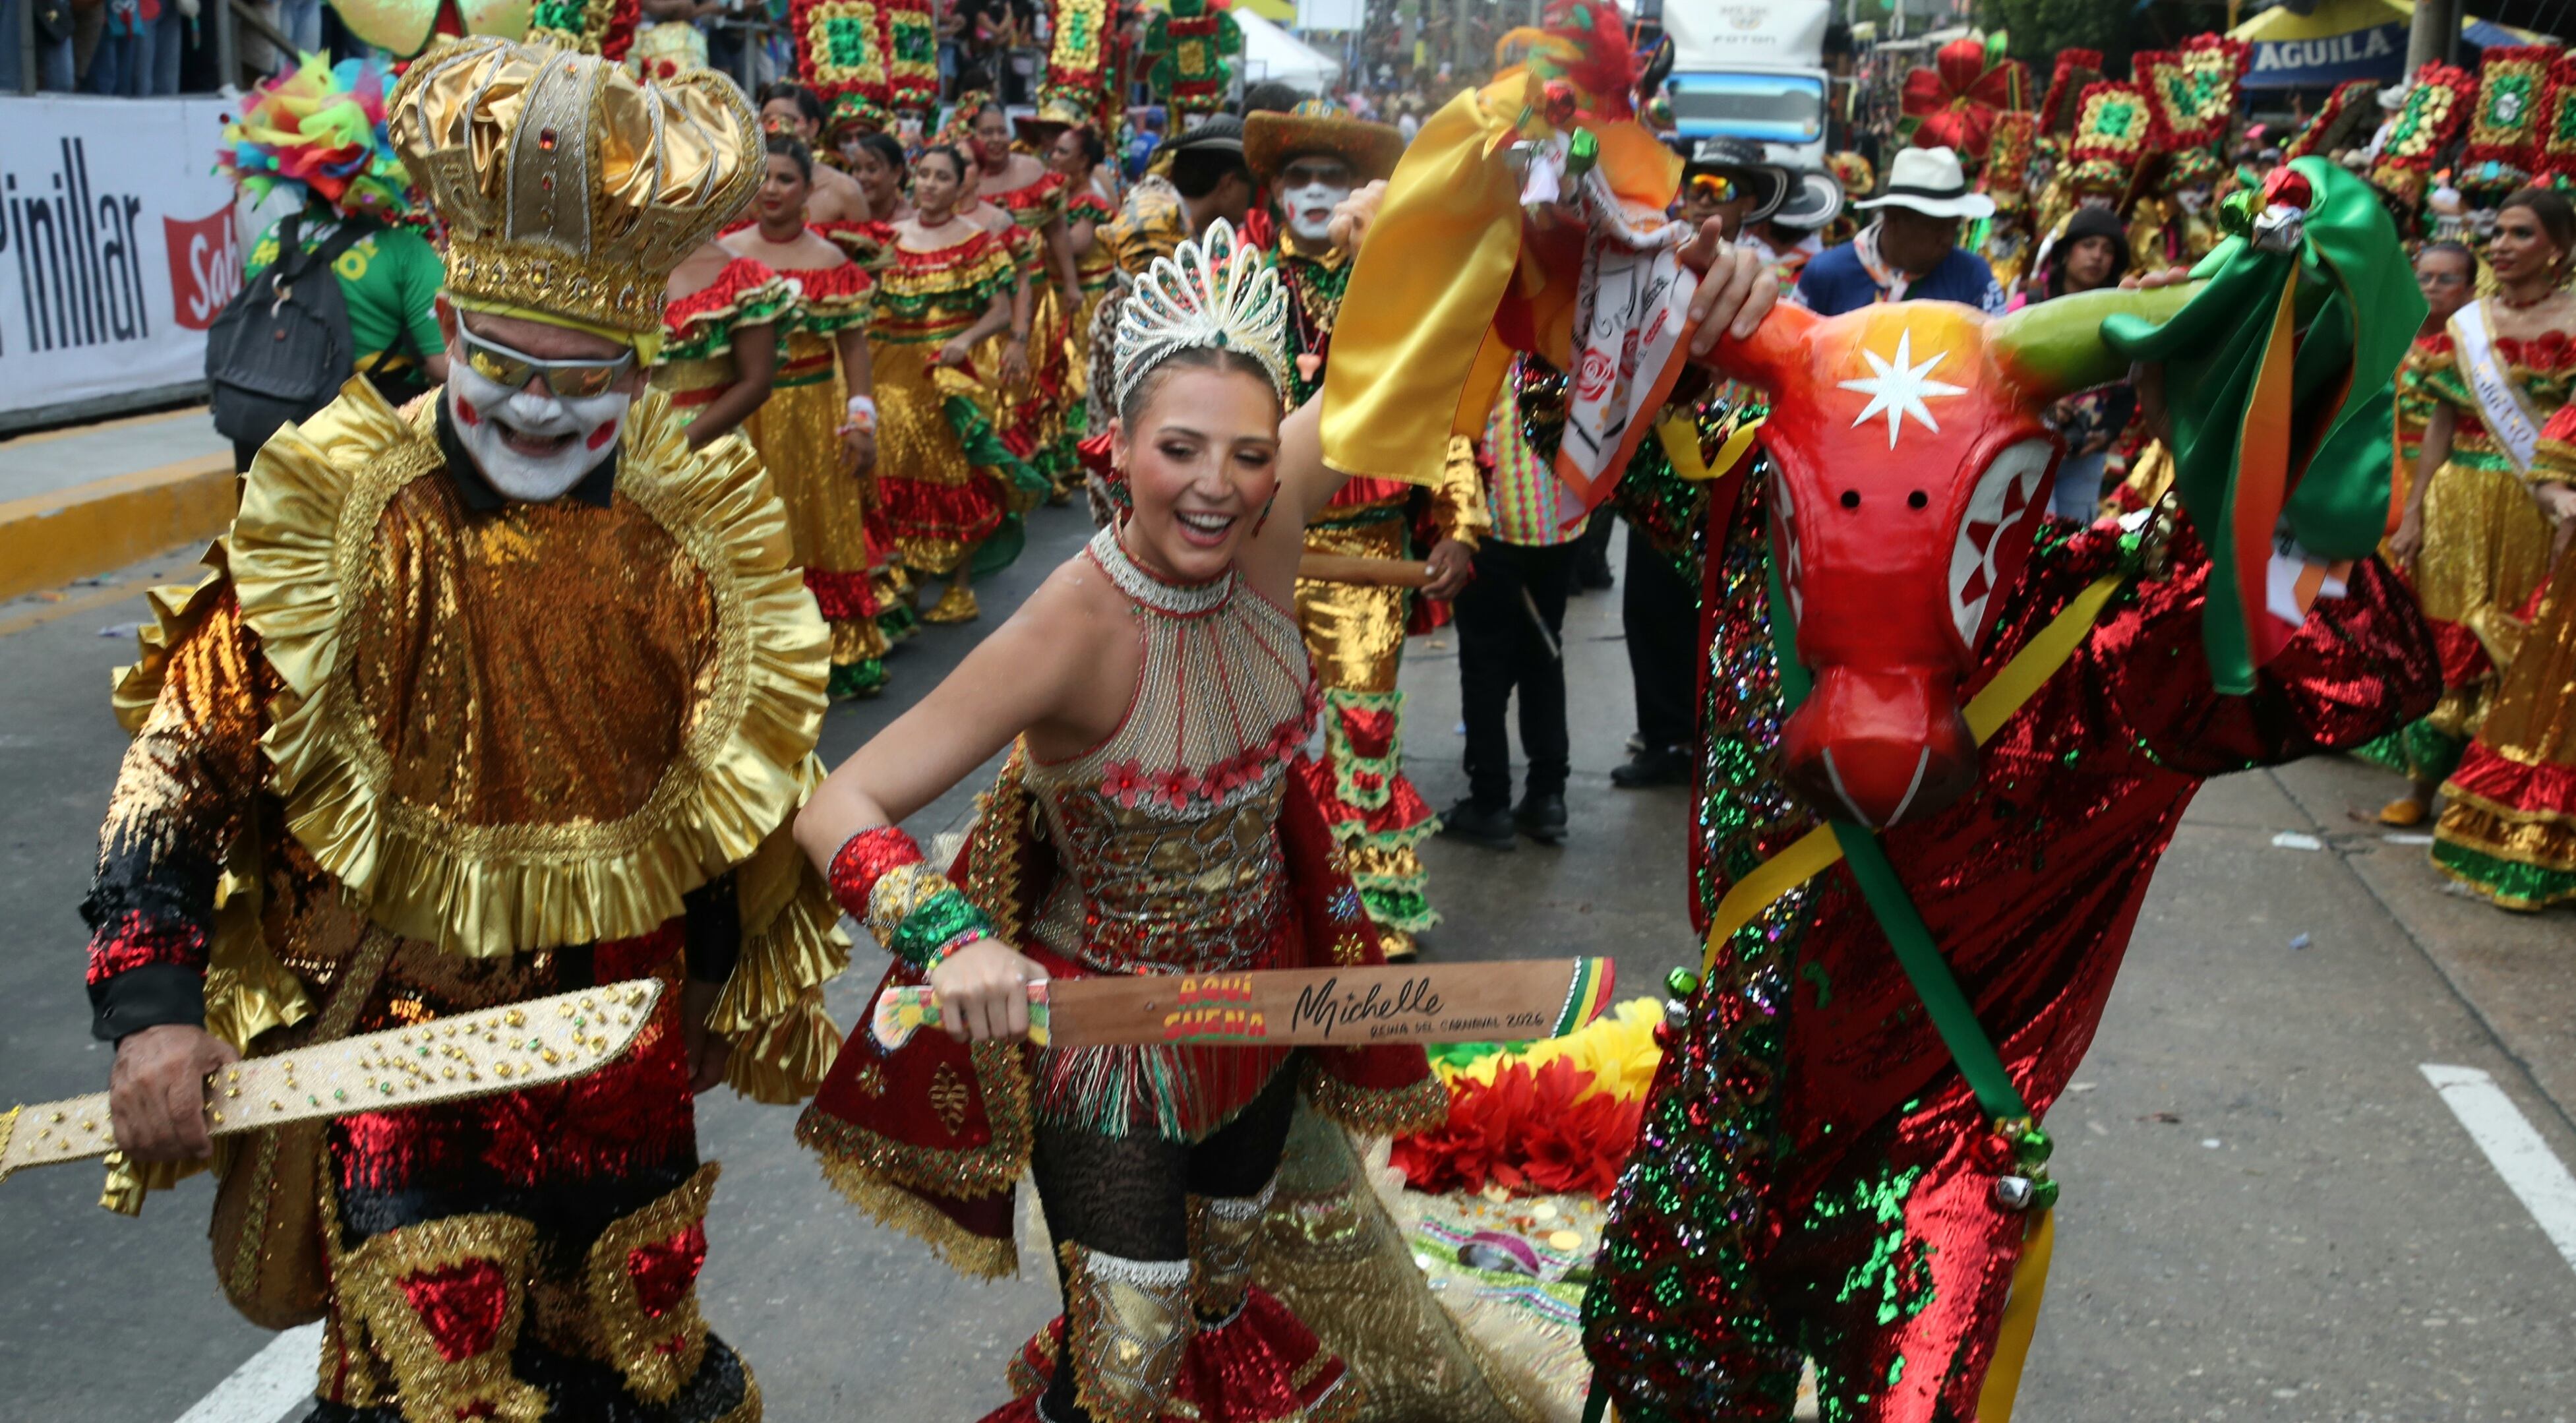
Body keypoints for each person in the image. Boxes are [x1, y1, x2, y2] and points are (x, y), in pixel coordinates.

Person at [86, 38, 843, 1422]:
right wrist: (150, 1012)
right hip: (406, 1061)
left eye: (589, 376)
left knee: (644, 1360)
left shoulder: (690, 536)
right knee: (434, 1381)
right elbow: (178, 764)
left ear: (639, 363)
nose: (548, 409)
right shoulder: (340, 520)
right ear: (448, 336)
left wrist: (749, 978)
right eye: (510, 367)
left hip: (626, 1065)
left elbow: (759, 785)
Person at [788, 218, 1441, 1423]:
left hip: (1264, 1008)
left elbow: (1406, 352)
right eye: (1179, 448)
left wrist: (1540, 199)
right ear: (1118, 445)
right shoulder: (1071, 626)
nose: (1216, 485)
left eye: (1249, 454)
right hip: (1109, 1046)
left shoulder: (1269, 524)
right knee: (1128, 1363)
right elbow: (839, 798)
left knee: (1225, 1305)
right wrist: (949, 935)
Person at [1249, 98, 1481, 954]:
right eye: (1298, 176)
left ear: (1364, 191)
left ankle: (1368, 907)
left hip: (1369, 551)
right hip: (1255, 546)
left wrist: (1458, 524)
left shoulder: (1397, 293)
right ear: (1273, 191)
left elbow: (1448, 414)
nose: (1315, 193)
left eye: (1334, 178)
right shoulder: (1240, 281)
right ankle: (1261, 902)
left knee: (1362, 726)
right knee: (1253, 736)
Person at [2385, 198, 2571, 829]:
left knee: (2513, 643)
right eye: (2497, 231)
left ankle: (2487, 792)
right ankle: (2420, 783)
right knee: (2442, 635)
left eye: (2521, 233)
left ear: (2558, 249)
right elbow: (2440, 423)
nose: (2502, 243)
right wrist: (2413, 512)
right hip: (2457, 496)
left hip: (2539, 504)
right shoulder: (2468, 326)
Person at [221, 54, 450, 472]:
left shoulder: (270, 243)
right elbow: (445, 368)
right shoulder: (406, 252)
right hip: (363, 450)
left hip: (277, 438)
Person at [722, 135, 887, 699]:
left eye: (785, 179)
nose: (771, 190)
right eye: (763, 178)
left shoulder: (831, 260)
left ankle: (833, 652)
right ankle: (748, 652)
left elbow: (854, 349)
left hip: (813, 412)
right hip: (742, 416)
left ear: (809, 190)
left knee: (817, 528)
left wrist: (861, 421)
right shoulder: (727, 254)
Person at [867, 145, 1033, 624]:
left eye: (942, 177)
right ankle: (909, 576)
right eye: (924, 174)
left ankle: (960, 588)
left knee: (952, 473)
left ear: (960, 185)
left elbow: (1000, 311)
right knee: (895, 471)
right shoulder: (889, 237)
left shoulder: (977, 241)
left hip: (947, 373)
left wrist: (965, 339)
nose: (930, 184)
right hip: (892, 375)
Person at [2019, 204, 2136, 522]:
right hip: (2029, 446)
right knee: (2031, 535)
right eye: (2088, 245)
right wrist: (2045, 403)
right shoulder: (2028, 305)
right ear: (2067, 253)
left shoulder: (2122, 312)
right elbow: (2004, 372)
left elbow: (2133, 379)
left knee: (2073, 544)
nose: (2097, 256)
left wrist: (2110, 429)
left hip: (2085, 454)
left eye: (2107, 250)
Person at [1795, 144, 2005, 317]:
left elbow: (1998, 355)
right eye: (1937, 229)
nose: (1948, 239)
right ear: (1894, 218)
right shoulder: (1826, 274)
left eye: (1954, 227)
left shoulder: (1972, 276)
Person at [653, 237, 787, 449]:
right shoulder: (615, 268)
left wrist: (680, 442)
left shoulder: (740, 276)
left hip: (710, 455)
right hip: (621, 445)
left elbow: (757, 384)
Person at [758, 80, 874, 227]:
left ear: (812, 127)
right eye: (767, 122)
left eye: (787, 121)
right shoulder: (744, 190)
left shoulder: (846, 190)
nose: (775, 130)